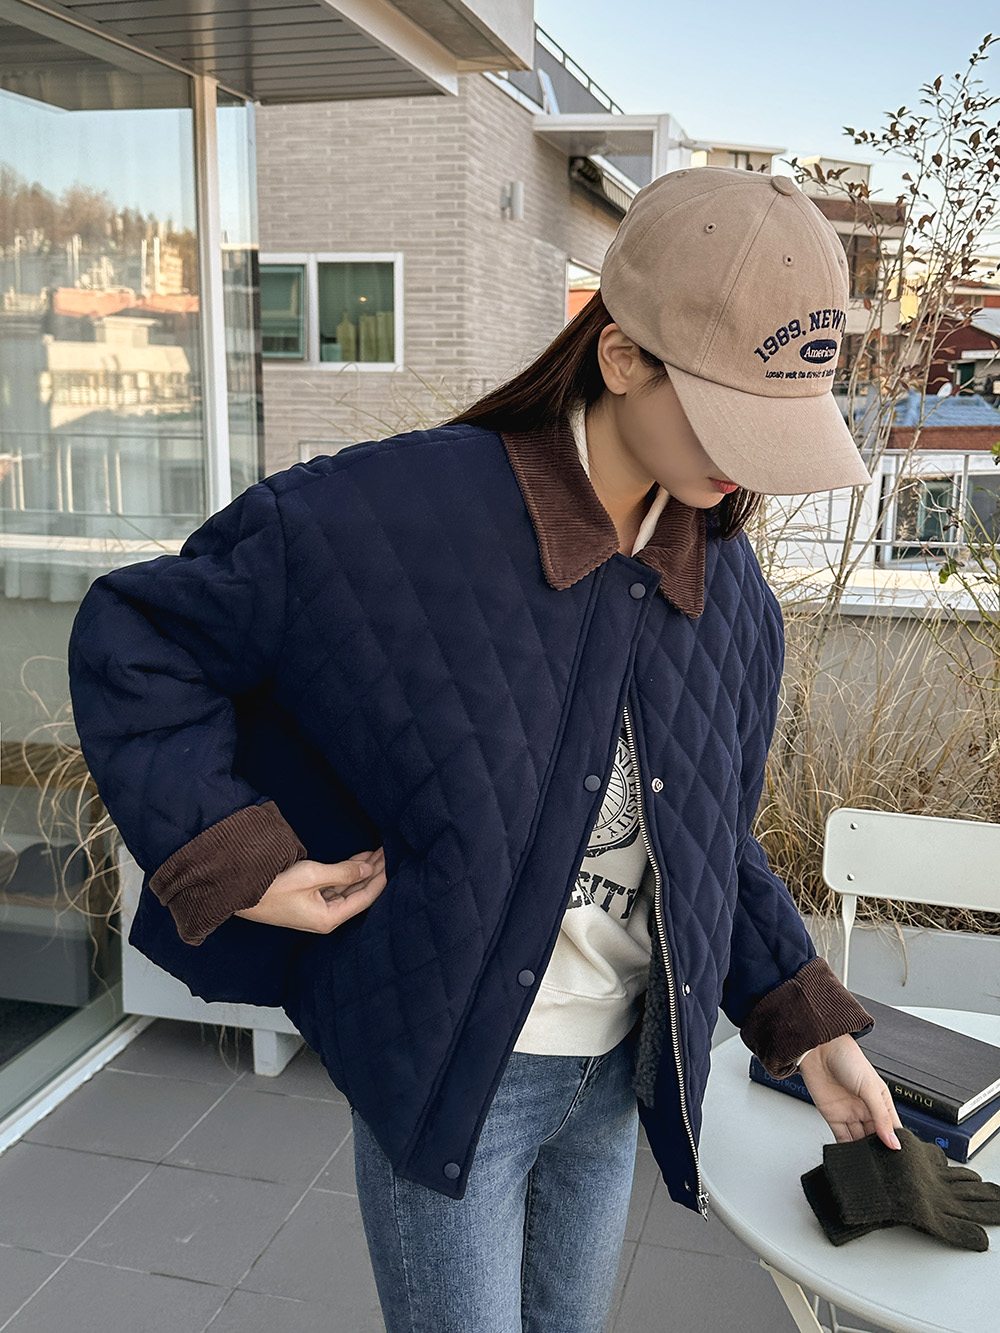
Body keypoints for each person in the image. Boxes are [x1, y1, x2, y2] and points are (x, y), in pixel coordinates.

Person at [67, 165, 904, 1333]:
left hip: (617, 1075)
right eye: (728, 416)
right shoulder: (389, 516)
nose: (749, 463)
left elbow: (708, 839)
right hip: (456, 1068)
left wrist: (811, 1032)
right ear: (622, 358)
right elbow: (143, 634)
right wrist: (237, 856)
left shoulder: (732, 599)